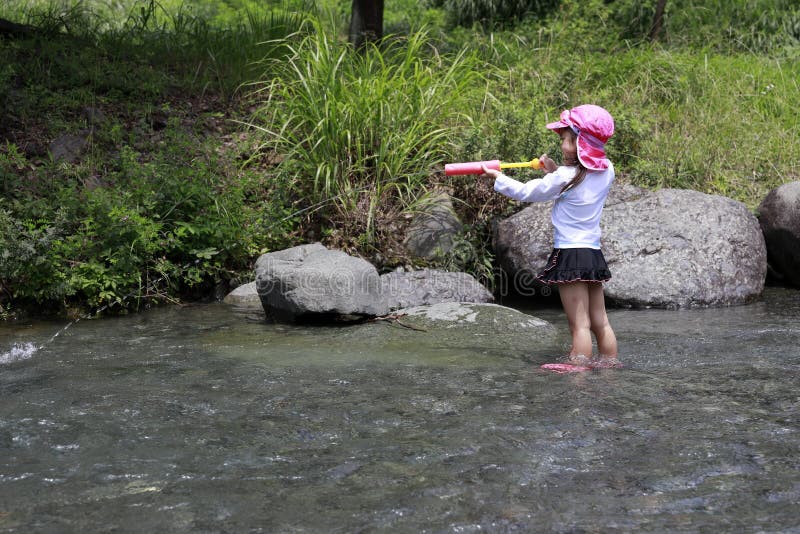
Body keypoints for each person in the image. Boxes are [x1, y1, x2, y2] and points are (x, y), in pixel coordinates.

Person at [481, 104, 620, 368]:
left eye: (569, 140)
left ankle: (578, 369)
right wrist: (555, 171)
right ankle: (610, 364)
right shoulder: (607, 170)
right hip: (592, 254)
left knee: (578, 323)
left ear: (583, 143)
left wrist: (498, 177)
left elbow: (527, 192)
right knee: (599, 320)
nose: (564, 145)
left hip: (570, 254)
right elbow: (576, 178)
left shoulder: (565, 177)